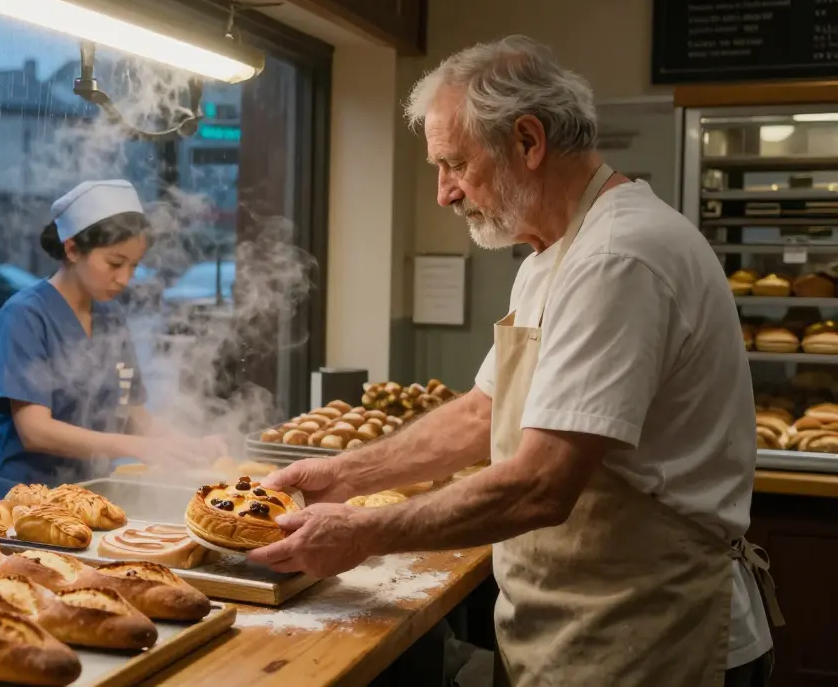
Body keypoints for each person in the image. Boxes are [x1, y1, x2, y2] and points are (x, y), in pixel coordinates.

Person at [249, 36, 782, 687]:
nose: (444, 193)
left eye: (454, 164)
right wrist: (344, 477)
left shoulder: (618, 258)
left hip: (653, 637)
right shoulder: (548, 257)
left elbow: (541, 484)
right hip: (575, 631)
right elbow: (485, 412)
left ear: (528, 142)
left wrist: (362, 534)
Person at [0, 179, 221, 498]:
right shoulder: (24, 316)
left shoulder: (110, 316)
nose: (124, 278)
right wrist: (137, 447)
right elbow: (36, 431)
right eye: (115, 263)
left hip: (86, 492)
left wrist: (187, 446)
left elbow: (133, 415)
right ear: (73, 248)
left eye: (133, 266)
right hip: (19, 497)